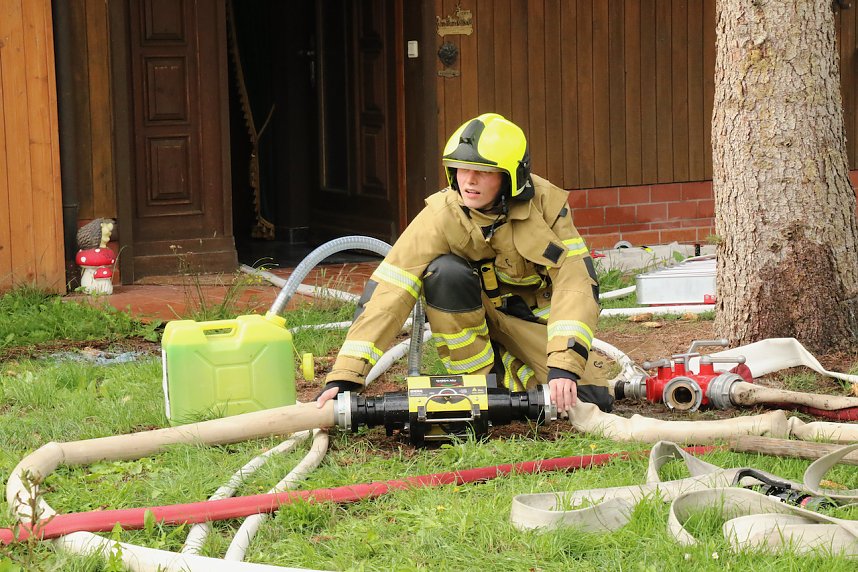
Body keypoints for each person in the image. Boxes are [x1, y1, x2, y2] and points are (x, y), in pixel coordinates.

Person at [317, 113, 613, 414]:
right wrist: (345, 377)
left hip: (530, 324)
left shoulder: (547, 206)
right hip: (474, 317)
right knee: (445, 273)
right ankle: (481, 383)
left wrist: (564, 365)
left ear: (512, 176)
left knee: (592, 399)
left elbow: (575, 283)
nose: (468, 180)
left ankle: (510, 372)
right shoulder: (442, 214)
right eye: (461, 169)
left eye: (482, 172)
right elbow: (390, 291)